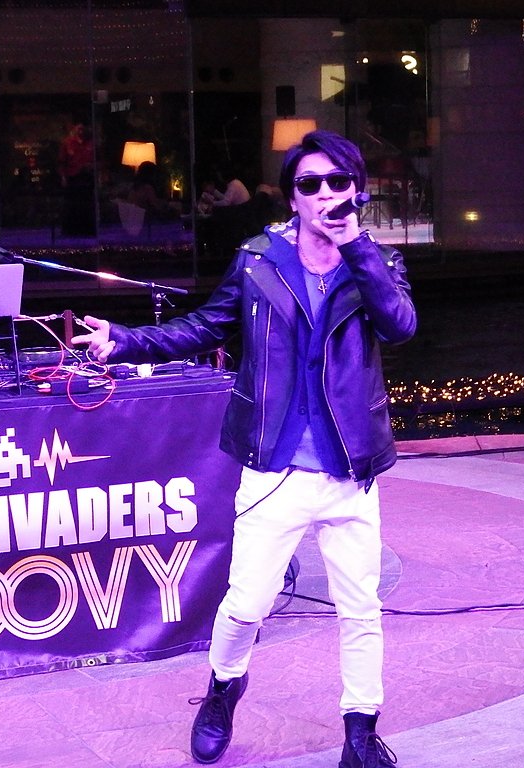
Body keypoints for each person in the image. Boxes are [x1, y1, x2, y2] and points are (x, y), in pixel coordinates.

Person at [73, 129, 416, 767]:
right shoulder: (258, 259)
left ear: (357, 190)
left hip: (351, 468)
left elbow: (399, 327)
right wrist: (127, 341)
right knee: (245, 605)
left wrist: (356, 247)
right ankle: (223, 690)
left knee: (360, 608)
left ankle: (360, 733)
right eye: (310, 184)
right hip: (275, 466)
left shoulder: (378, 262)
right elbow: (207, 325)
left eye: (338, 182)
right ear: (292, 196)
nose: (325, 194)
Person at [57, 120, 96, 235]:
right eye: (79, 129)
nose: (81, 132)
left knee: (87, 205)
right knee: (72, 205)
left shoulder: (91, 144)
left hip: (87, 178)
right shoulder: (67, 143)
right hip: (73, 178)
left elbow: (98, 160)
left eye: (82, 129)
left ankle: (87, 230)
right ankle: (70, 230)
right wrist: (63, 177)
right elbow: (61, 162)